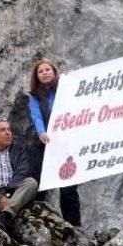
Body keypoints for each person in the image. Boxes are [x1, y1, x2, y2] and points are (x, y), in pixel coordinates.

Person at [28, 59, 81, 227]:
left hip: (67, 144)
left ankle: (73, 224)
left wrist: (74, 80)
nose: (44, 72)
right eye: (40, 71)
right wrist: (41, 132)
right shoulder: (35, 96)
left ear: (54, 72)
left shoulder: (65, 88)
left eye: (47, 69)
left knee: (68, 186)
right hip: (47, 144)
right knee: (38, 181)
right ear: (36, 76)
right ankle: (36, 221)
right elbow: (36, 115)